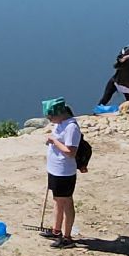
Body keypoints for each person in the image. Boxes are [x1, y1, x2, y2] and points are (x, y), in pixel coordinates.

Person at [43, 100, 83, 247]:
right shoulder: (60, 124)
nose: (49, 120)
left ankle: (67, 237)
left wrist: (53, 141)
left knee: (66, 202)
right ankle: (56, 230)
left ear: (60, 114)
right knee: (57, 200)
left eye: (50, 117)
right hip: (55, 169)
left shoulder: (72, 127)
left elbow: (70, 152)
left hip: (64, 172)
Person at [100, 44, 129, 110]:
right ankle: (99, 109)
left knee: (105, 99)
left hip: (122, 83)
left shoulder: (124, 59)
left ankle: (98, 110)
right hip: (124, 84)